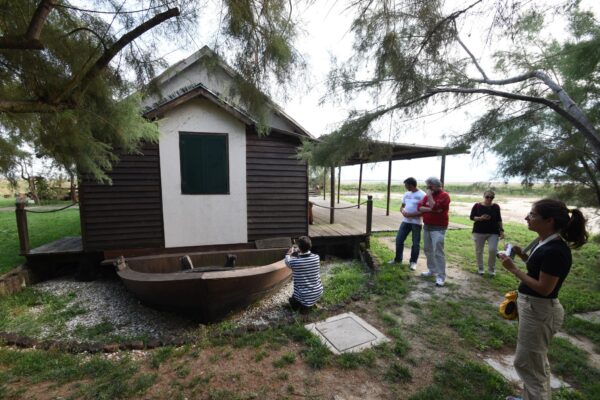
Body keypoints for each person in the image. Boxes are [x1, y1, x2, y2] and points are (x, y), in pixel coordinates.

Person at [499, 199, 587, 400]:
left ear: (549, 221)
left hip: (539, 310)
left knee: (527, 363)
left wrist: (514, 269)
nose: (527, 217)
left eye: (532, 215)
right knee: (535, 361)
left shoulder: (556, 250)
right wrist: (522, 257)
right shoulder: (545, 242)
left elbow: (544, 288)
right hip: (534, 308)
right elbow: (540, 271)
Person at [418, 177, 451, 287]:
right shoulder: (427, 195)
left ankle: (441, 276)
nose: (428, 188)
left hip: (439, 228)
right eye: (427, 186)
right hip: (427, 226)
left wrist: (430, 198)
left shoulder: (444, 196)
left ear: (437, 185)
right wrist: (432, 209)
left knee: (438, 252)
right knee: (428, 249)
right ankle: (432, 270)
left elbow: (435, 206)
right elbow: (419, 207)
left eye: (430, 186)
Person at [389, 177, 425, 270]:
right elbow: (402, 207)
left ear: (411, 185)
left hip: (416, 222)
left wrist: (411, 215)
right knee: (399, 240)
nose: (405, 187)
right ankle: (398, 259)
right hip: (405, 221)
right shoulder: (406, 194)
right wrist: (403, 212)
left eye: (406, 185)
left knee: (415, 243)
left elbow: (424, 211)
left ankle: (413, 262)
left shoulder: (422, 195)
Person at [470, 190, 504, 276]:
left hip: (493, 232)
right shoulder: (477, 205)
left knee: (492, 250)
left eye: (491, 197)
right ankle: (480, 269)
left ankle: (491, 270)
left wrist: (502, 230)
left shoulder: (496, 207)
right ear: (484, 196)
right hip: (479, 231)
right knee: (479, 251)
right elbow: (472, 217)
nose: (489, 199)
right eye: (487, 197)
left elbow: (499, 219)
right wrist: (480, 218)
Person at [284, 236, 323, 311]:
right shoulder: (317, 257)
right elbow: (305, 259)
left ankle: (304, 308)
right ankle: (312, 303)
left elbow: (287, 261)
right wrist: (300, 251)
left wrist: (288, 253)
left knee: (292, 300)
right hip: (318, 292)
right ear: (310, 246)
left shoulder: (295, 262)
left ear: (300, 248)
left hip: (305, 296)